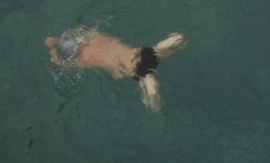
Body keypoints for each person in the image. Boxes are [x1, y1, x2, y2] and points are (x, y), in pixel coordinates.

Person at [43, 27, 187, 112]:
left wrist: (53, 50)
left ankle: (153, 96)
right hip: (141, 52)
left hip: (134, 69)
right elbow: (81, 30)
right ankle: (174, 41)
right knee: (157, 52)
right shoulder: (94, 38)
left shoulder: (83, 60)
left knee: (152, 93)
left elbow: (63, 65)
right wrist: (56, 41)